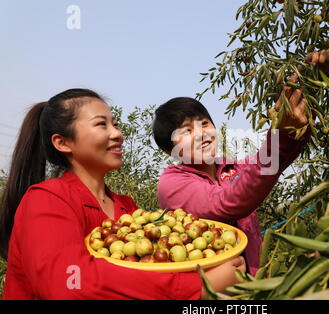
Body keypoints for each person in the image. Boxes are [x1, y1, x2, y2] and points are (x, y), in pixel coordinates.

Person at [0, 88, 245, 300]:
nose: (118, 134)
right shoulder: (46, 200)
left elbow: (146, 275)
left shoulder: (127, 209)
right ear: (62, 143)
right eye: (101, 124)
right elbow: (68, 284)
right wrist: (197, 287)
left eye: (115, 124)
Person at [153, 49, 329, 275]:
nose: (202, 134)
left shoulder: (233, 169)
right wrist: (278, 133)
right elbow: (229, 201)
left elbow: (272, 160)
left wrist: (308, 85)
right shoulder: (172, 184)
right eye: (186, 131)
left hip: (254, 284)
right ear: (168, 149)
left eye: (204, 123)